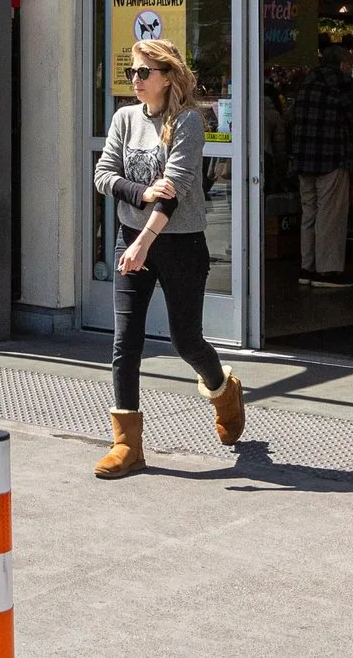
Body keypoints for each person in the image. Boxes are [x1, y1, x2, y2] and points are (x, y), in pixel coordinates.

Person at [90, 37, 244, 477]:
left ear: (168, 77)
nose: (135, 80)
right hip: (131, 236)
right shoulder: (124, 118)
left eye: (143, 73)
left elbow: (174, 191)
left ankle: (222, 389)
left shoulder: (189, 121)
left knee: (185, 340)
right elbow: (105, 174)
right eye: (131, 72)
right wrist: (140, 192)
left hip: (178, 243)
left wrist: (143, 243)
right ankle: (126, 445)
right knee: (126, 341)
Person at [288, 42, 353, 287]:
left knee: (309, 214)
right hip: (331, 156)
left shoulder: (308, 80)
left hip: (304, 157)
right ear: (344, 63)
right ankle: (328, 271)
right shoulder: (343, 82)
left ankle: (307, 267)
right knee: (330, 215)